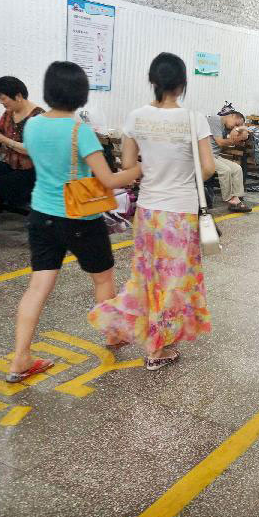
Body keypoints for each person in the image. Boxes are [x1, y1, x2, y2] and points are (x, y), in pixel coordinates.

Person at [5, 62, 142, 382]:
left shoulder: (34, 125)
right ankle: (111, 335)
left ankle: (20, 358)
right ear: (81, 94)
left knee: (37, 287)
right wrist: (137, 171)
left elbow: (37, 157)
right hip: (81, 218)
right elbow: (108, 179)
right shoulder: (80, 131)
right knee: (102, 279)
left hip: (41, 216)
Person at [89, 52, 215, 371]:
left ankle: (122, 324)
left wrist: (155, 169)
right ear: (183, 83)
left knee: (146, 276)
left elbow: (130, 166)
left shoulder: (136, 117)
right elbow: (209, 168)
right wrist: (183, 177)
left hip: (147, 212)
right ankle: (156, 348)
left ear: (152, 81)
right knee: (173, 279)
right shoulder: (193, 118)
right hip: (180, 212)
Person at [0, 77, 45, 243]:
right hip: (10, 165)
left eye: (2, 97)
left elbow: (33, 150)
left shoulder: (39, 117)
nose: (1, 102)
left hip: (32, 173)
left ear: (18, 95)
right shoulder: (9, 113)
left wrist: (3, 140)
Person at [206, 103, 252, 213]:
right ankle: (230, 200)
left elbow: (235, 137)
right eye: (236, 124)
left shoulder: (227, 128)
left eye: (237, 126)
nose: (235, 127)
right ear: (232, 115)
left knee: (236, 168)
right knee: (225, 170)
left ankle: (237, 198)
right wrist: (235, 138)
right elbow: (221, 142)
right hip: (204, 155)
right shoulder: (215, 120)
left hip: (215, 156)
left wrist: (241, 133)